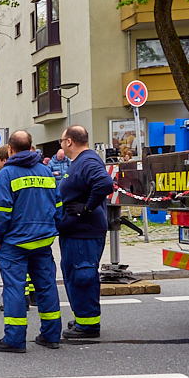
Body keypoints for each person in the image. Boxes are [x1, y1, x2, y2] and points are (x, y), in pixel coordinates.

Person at [0, 131, 63, 353]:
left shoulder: (6, 173)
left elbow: (1, 211)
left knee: (14, 290)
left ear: (10, 149)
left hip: (15, 242)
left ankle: (14, 339)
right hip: (42, 240)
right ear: (32, 147)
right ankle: (51, 335)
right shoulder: (45, 170)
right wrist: (52, 228)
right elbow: (58, 205)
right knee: (47, 287)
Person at [57, 125, 114, 340]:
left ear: (69, 142)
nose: (61, 144)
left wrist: (86, 208)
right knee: (75, 275)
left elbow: (105, 183)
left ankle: (89, 325)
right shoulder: (80, 162)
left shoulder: (87, 161)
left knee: (83, 276)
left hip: (84, 232)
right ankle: (82, 317)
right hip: (76, 232)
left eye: (61, 140)